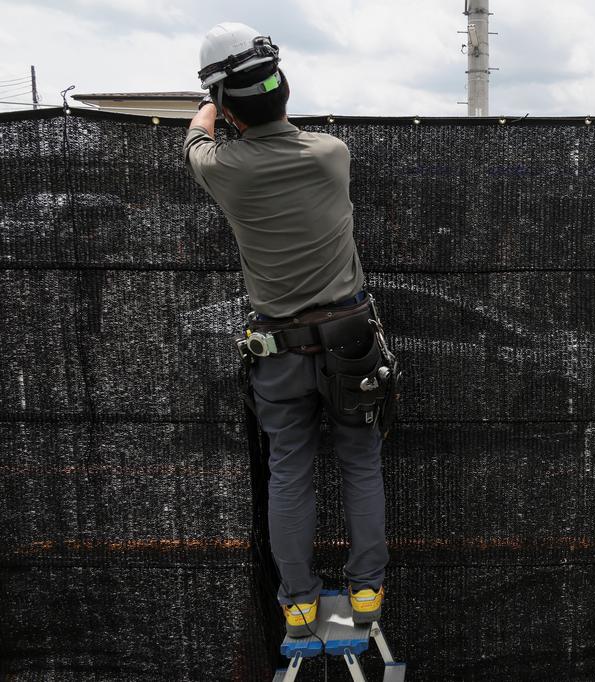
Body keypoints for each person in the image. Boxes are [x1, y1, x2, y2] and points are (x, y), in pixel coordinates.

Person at [182, 22, 390, 635]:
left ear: (225, 105)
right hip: (350, 341)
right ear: (284, 89)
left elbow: (196, 139)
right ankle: (367, 596)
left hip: (278, 350)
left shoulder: (223, 169)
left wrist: (207, 106)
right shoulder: (332, 154)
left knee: (289, 471)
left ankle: (298, 601)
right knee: (360, 464)